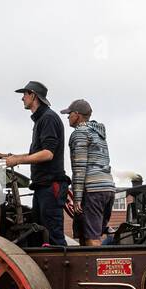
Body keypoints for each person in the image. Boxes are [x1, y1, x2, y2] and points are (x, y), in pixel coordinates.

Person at [0, 81, 68, 245]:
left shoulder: (48, 119)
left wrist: (17, 160)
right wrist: (6, 156)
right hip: (42, 187)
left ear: (33, 95)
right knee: (40, 235)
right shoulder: (42, 120)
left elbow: (47, 153)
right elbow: (35, 154)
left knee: (53, 236)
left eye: (24, 94)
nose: (22, 99)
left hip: (50, 186)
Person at [59, 98, 116, 246]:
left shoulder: (79, 134)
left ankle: (96, 268)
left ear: (77, 115)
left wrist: (77, 198)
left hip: (92, 190)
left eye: (69, 113)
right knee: (90, 233)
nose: (67, 117)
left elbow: (79, 168)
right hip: (108, 188)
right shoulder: (99, 133)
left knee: (92, 237)